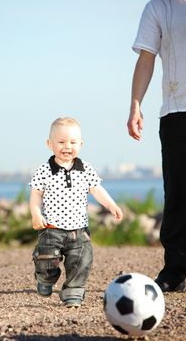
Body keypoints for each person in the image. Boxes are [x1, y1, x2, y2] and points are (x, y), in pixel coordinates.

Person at [29, 117, 123, 307]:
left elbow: (97, 190)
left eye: (72, 142)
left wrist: (111, 205)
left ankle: (73, 291)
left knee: (81, 262)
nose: (67, 147)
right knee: (46, 259)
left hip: (79, 229)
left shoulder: (85, 169)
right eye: (61, 142)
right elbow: (36, 195)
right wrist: (36, 214)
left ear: (81, 144)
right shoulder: (45, 170)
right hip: (51, 228)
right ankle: (45, 279)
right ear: (50, 144)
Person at [127, 0, 186, 292]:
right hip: (177, 113)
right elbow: (146, 58)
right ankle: (175, 271)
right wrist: (135, 105)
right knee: (177, 194)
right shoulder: (159, 6)